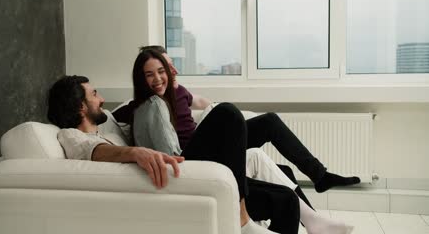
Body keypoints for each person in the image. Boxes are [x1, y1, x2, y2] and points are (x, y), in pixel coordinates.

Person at [127, 49, 353, 234]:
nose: (159, 77)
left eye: (163, 70)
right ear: (141, 79)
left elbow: (205, 104)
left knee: (268, 127)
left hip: (202, 150)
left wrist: (220, 120)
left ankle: (317, 189)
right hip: (191, 159)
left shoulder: (176, 93)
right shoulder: (151, 104)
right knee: (229, 113)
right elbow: (164, 146)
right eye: (150, 75)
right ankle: (247, 216)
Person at [47, 75, 283, 234]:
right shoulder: (70, 135)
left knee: (283, 197)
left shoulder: (106, 123)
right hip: (167, 180)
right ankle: (241, 220)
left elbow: (132, 120)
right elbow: (94, 152)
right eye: (95, 95)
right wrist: (136, 152)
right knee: (227, 114)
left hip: (171, 167)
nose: (102, 99)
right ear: (81, 107)